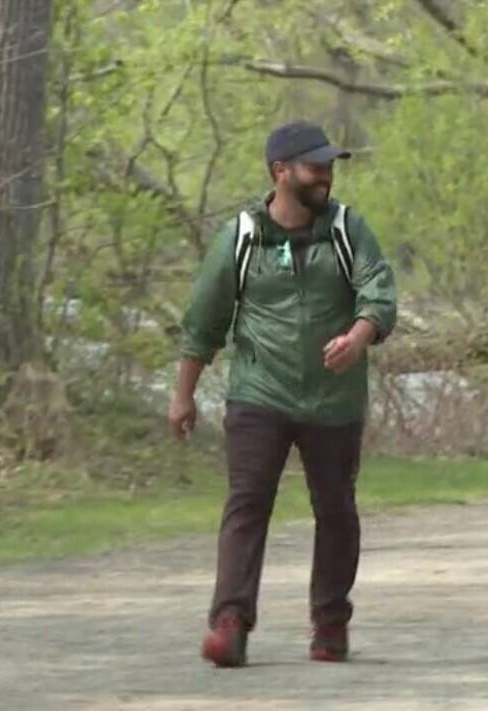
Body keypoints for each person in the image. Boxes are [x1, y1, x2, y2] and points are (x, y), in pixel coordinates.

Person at [169, 120, 397, 668]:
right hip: (259, 394)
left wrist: (359, 336)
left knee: (337, 509)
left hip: (334, 400)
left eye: (329, 166)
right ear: (280, 172)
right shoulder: (242, 238)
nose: (326, 175)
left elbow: (379, 293)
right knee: (247, 505)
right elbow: (203, 321)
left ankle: (330, 623)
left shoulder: (347, 229)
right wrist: (183, 396)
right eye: (315, 166)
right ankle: (230, 622)